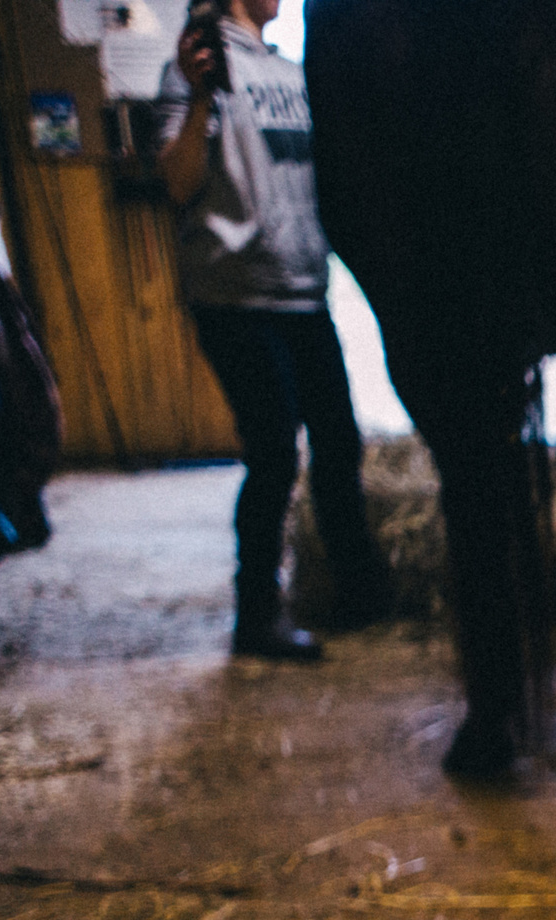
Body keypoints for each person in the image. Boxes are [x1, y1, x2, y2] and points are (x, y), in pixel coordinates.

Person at [156, 0, 389, 662]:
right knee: (274, 454)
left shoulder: (291, 71)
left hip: (303, 289)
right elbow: (177, 181)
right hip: (235, 295)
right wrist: (202, 100)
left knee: (339, 441)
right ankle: (256, 614)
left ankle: (356, 588)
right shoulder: (196, 68)